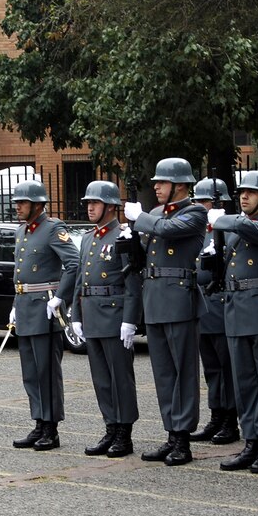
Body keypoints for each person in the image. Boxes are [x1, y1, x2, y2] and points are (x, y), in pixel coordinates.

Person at [123, 158, 207, 465]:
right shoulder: (155, 214)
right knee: (163, 374)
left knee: (183, 373)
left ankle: (183, 439)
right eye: (155, 182)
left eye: (162, 182)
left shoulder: (195, 212)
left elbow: (168, 230)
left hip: (180, 301)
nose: (156, 186)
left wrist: (140, 218)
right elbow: (147, 250)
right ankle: (171, 433)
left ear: (180, 185)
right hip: (155, 300)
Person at [211, 171, 258, 473]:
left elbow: (250, 228)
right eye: (242, 192)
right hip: (237, 309)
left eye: (251, 193)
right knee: (244, 382)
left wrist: (221, 218)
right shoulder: (236, 228)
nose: (244, 197)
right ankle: (251, 440)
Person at [71, 180, 141, 457]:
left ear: (111, 207)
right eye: (88, 203)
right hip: (92, 314)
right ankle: (110, 427)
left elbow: (132, 281)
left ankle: (124, 433)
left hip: (114, 314)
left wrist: (130, 319)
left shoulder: (122, 236)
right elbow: (80, 279)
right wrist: (76, 314)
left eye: (95, 203)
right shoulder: (88, 237)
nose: (90, 207)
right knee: (101, 378)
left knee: (120, 378)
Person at [9, 180, 79, 451]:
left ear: (38, 205)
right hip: (26, 307)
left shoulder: (53, 229)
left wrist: (61, 297)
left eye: (23, 202)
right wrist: (16, 303)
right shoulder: (22, 232)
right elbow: (20, 273)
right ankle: (38, 421)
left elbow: (73, 264)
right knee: (30, 372)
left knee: (46, 371)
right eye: (17, 202)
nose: (18, 207)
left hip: (45, 308)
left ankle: (51, 427)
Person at [190, 178, 240, 446]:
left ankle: (230, 420)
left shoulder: (230, 229)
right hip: (203, 306)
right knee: (211, 368)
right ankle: (216, 415)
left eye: (205, 201)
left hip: (221, 304)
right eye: (197, 201)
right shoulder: (199, 229)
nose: (200, 206)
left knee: (226, 367)